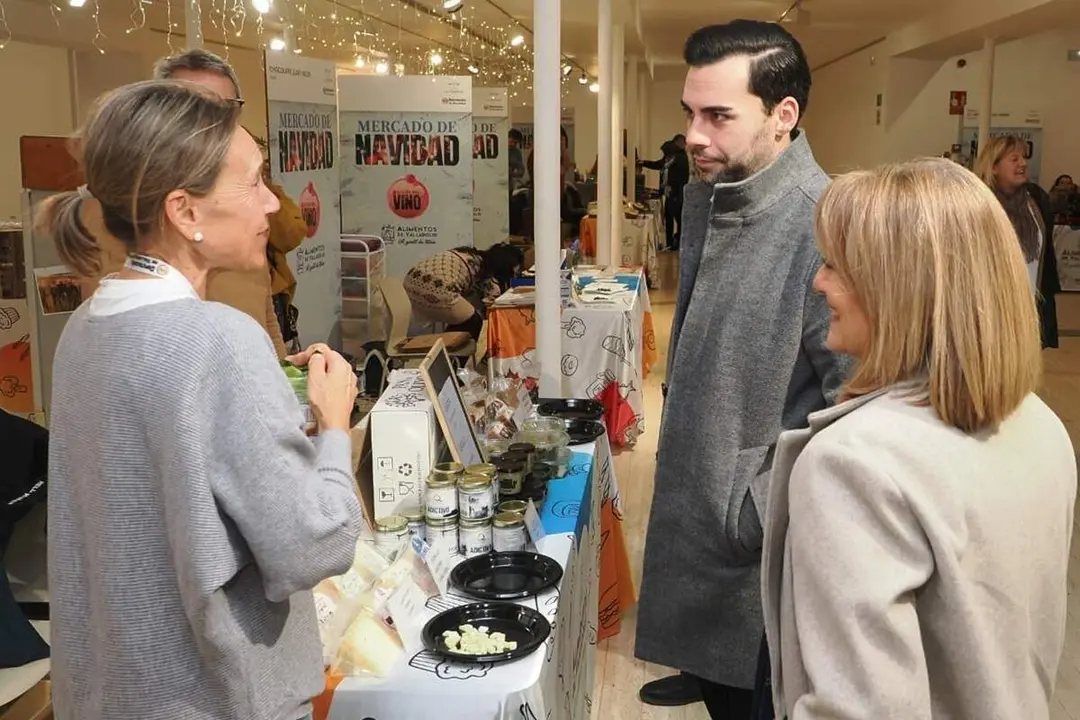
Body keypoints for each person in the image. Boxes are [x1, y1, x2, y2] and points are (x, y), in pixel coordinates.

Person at [40, 80, 364, 720]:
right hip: (214, 697)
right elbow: (314, 545)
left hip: (116, 694)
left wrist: (270, 413)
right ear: (184, 211)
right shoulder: (218, 339)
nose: (271, 203)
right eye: (254, 182)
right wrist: (333, 425)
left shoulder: (86, 326)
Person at [762, 157, 1075, 719]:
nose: (818, 282)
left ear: (895, 288)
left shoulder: (853, 464)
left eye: (834, 265)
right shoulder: (1040, 425)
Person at [634, 20, 850, 717]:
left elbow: (857, 409)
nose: (694, 136)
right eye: (689, 114)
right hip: (708, 531)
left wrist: (753, 510)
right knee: (717, 682)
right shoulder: (717, 196)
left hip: (758, 567)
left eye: (718, 116)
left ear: (783, 115)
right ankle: (699, 665)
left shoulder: (823, 229)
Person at [79, 48, 306, 358]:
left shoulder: (243, 217)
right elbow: (113, 337)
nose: (210, 126)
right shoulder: (116, 216)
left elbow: (262, 301)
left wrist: (280, 371)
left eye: (222, 109)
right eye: (193, 108)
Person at [974, 135, 1060, 349]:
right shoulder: (978, 204)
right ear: (994, 167)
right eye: (1014, 159)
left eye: (1024, 157)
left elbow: (1046, 255)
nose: (1023, 163)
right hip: (991, 309)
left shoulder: (1036, 198)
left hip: (1031, 305)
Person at [402, 243, 524, 339]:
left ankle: (446, 349)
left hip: (411, 283)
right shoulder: (482, 268)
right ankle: (456, 357)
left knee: (463, 317)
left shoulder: (469, 255)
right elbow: (492, 299)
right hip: (435, 290)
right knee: (474, 322)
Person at [639, 135, 690, 250]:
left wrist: (675, 192)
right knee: (674, 218)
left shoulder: (677, 158)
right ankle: (673, 243)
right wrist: (643, 162)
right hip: (672, 193)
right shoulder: (673, 158)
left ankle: (673, 243)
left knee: (674, 218)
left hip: (675, 193)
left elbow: (681, 177)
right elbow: (659, 165)